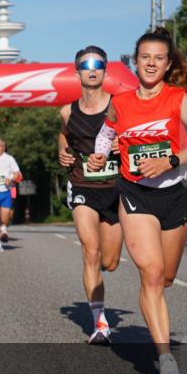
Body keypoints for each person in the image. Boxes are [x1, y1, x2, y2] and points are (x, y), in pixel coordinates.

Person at [88, 27, 187, 374]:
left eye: (159, 58)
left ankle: (161, 342)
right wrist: (100, 155)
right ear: (135, 61)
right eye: (145, 57)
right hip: (135, 194)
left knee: (167, 277)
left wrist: (170, 160)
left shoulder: (179, 99)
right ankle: (165, 360)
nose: (151, 63)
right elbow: (106, 133)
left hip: (173, 196)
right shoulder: (121, 101)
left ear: (168, 64)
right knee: (153, 274)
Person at [57, 45, 123, 344]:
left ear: (105, 72)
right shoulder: (67, 111)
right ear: (77, 73)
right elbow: (63, 134)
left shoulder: (119, 106)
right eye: (86, 65)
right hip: (82, 186)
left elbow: (138, 137)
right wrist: (62, 151)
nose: (92, 69)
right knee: (90, 252)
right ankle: (100, 323)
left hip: (115, 188)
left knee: (110, 261)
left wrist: (124, 144)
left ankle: (100, 286)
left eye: (98, 65)